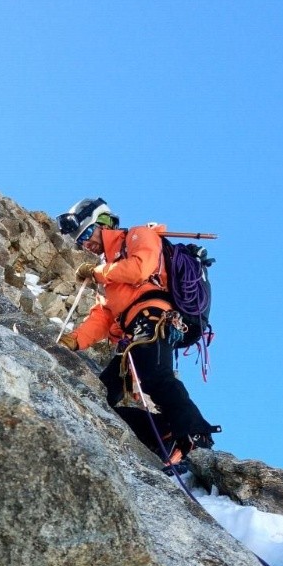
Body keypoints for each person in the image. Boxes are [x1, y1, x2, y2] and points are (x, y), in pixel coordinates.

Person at [54, 197, 219, 464]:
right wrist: (75, 341)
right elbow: (104, 315)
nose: (86, 244)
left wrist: (98, 272)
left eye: (86, 233)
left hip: (153, 317)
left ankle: (195, 435)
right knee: (99, 397)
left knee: (155, 376)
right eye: (80, 241)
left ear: (103, 222)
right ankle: (162, 434)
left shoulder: (138, 236)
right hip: (132, 334)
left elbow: (139, 269)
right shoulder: (109, 273)